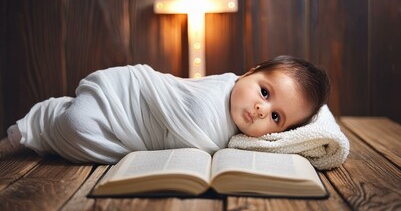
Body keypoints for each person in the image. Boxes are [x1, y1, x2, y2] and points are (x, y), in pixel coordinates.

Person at [7, 55, 330, 163]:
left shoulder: (243, 132)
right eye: (264, 92)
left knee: (71, 124)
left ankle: (46, 126)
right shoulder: (218, 88)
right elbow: (168, 96)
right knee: (75, 122)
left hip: (99, 130)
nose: (261, 109)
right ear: (249, 73)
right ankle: (45, 123)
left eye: (276, 117)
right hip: (123, 94)